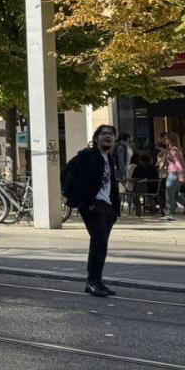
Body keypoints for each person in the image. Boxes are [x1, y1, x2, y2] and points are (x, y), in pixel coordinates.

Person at [61, 124, 120, 298]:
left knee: (101, 245)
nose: (108, 136)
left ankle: (97, 280)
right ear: (96, 138)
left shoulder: (109, 158)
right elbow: (67, 174)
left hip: (107, 207)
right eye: (104, 133)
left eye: (111, 134)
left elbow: (112, 184)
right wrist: (86, 203)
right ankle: (92, 282)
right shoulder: (87, 155)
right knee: (99, 243)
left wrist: (114, 209)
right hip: (93, 206)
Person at [158, 132, 185, 220]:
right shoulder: (176, 149)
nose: (164, 140)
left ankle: (169, 213)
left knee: (169, 193)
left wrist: (181, 175)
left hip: (174, 173)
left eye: (166, 138)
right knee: (176, 194)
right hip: (177, 173)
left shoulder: (173, 150)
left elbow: (178, 163)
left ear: (171, 140)